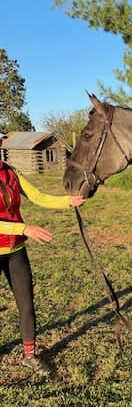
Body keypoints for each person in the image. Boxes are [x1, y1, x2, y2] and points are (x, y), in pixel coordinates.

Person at [0, 159, 86, 377]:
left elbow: (38, 196)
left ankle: (30, 356)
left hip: (16, 250)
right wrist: (24, 228)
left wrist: (68, 201)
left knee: (26, 304)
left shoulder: (11, 172)